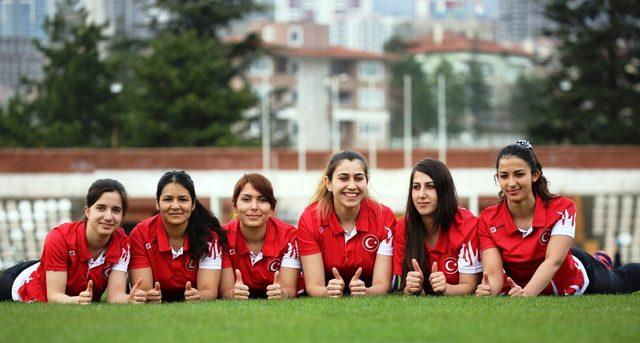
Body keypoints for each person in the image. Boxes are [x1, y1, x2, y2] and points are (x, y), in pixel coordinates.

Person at [476, 140, 640, 296]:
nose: (511, 183)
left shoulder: (563, 208)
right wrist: (490, 290)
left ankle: (600, 263)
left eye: (519, 174)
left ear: (535, 175)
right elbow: (493, 272)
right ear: (498, 178)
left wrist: (526, 294)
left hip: (575, 275)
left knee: (620, 283)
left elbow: (553, 262)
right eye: (504, 176)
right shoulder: (487, 218)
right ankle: (601, 261)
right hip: (527, 285)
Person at [0, 179, 144, 304]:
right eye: (101, 208)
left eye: (116, 210)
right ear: (87, 212)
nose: (108, 216)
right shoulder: (59, 237)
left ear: (123, 215)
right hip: (16, 284)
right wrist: (75, 300)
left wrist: (129, 299)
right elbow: (54, 296)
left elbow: (114, 296)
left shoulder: (123, 243)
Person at [297, 150, 396, 297]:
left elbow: (382, 286)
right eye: (343, 178)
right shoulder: (310, 218)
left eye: (358, 178)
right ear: (328, 183)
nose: (352, 185)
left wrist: (366, 291)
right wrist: (328, 292)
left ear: (366, 182)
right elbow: (314, 286)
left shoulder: (384, 217)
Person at [129, 171, 226, 302]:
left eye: (183, 199)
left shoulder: (208, 235)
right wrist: (149, 295)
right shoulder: (140, 234)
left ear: (193, 204)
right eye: (168, 199)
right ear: (157, 203)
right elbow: (144, 290)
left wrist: (198, 296)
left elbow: (208, 291)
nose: (175, 206)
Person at [393, 159, 482, 295]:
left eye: (430, 186)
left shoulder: (467, 225)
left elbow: (470, 285)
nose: (421, 195)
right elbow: (402, 288)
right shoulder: (403, 227)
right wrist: (412, 288)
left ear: (444, 190)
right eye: (416, 187)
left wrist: (447, 288)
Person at [219, 173, 301, 299]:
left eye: (262, 200)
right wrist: (232, 294)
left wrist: (283, 293)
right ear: (235, 205)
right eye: (246, 199)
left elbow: (289, 288)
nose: (254, 207)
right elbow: (226, 290)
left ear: (272, 208)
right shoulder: (222, 237)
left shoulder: (289, 236)